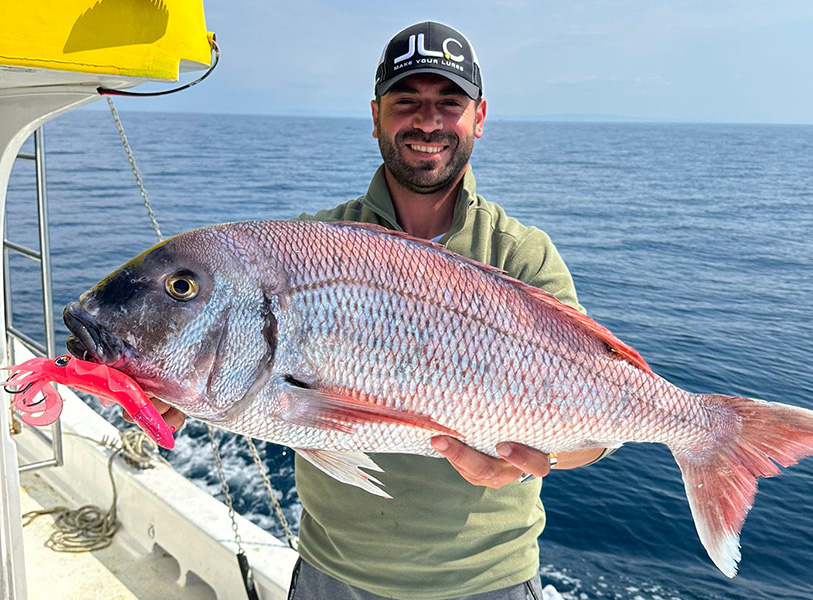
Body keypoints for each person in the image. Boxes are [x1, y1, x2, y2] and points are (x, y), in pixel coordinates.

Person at [147, 21, 613, 600]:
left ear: (480, 117)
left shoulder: (520, 254)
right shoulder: (308, 246)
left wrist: (521, 464)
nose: (427, 121)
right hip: (333, 576)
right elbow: (248, 369)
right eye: (406, 102)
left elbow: (595, 433)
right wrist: (168, 397)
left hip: (487, 582)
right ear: (375, 116)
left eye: (449, 102)